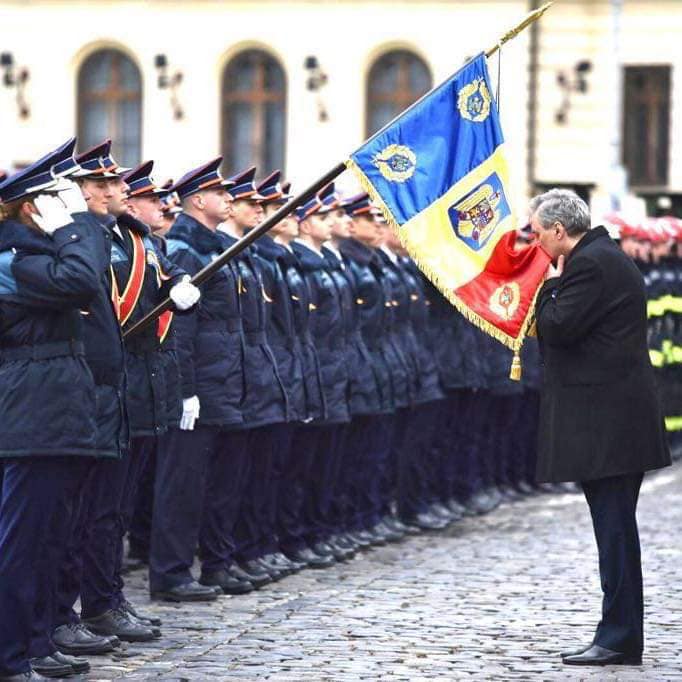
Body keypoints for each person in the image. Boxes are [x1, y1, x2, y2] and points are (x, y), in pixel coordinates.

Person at [530, 188, 671, 666]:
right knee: (616, 531)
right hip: (616, 422)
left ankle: (618, 636)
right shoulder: (603, 257)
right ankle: (620, 634)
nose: (535, 243)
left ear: (557, 230)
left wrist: (547, 284)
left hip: (609, 425)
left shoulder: (589, 265)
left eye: (537, 234)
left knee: (614, 533)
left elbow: (557, 327)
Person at [0, 143, 104, 680]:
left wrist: (72, 230)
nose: (67, 204)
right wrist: (74, 226)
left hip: (54, 412)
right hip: (30, 416)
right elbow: (83, 279)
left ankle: (37, 643)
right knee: (20, 544)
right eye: (54, 198)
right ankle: (10, 655)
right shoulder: (12, 261)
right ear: (29, 208)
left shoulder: (33, 258)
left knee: (47, 541)